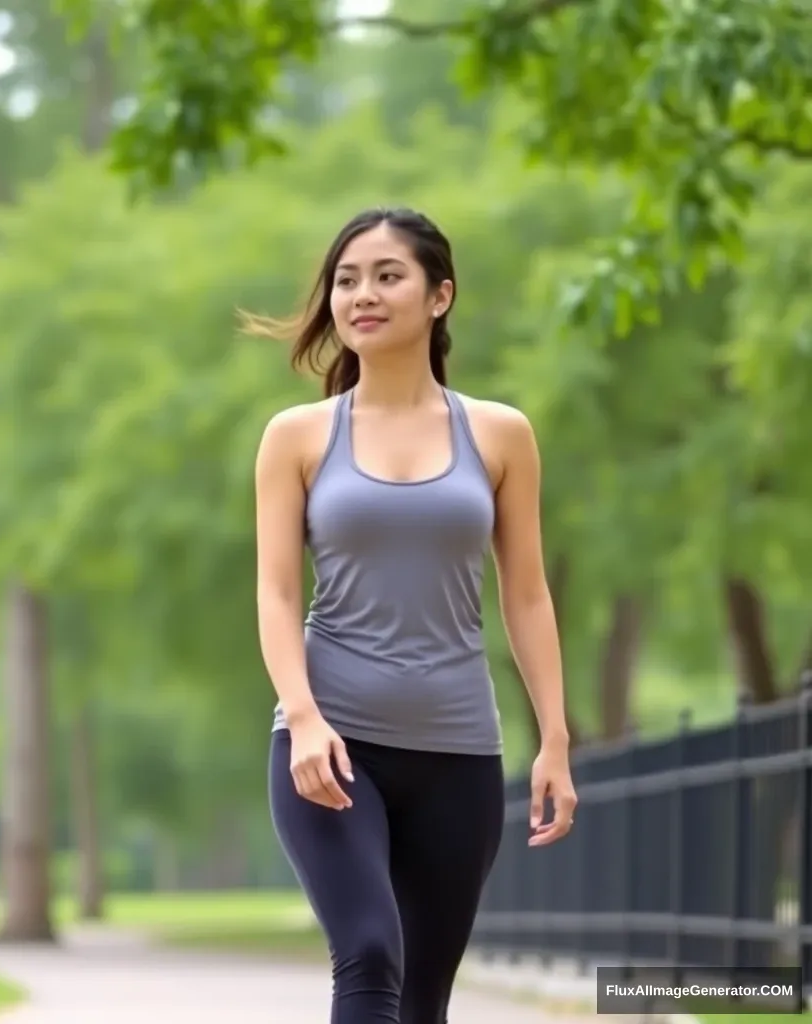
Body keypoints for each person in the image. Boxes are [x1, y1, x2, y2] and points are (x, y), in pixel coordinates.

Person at [248, 206, 577, 1024]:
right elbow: (278, 592)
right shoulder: (296, 437)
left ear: (439, 296)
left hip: (458, 749)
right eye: (347, 280)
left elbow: (527, 593)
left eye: (387, 276)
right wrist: (303, 715)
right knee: (368, 952)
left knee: (425, 993)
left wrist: (556, 740)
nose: (362, 295)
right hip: (332, 744)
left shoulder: (501, 435)